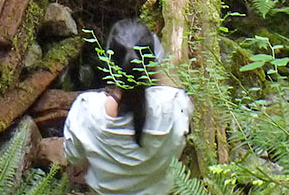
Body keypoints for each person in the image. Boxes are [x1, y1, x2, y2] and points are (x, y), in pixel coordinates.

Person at [63, 19, 193, 195]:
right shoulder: (174, 106)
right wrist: (155, 60)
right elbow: (173, 90)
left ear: (109, 62)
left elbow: (73, 156)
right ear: (152, 62)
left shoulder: (86, 111)